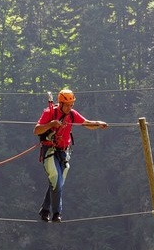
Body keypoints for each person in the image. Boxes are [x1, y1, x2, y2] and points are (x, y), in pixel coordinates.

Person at [33, 89, 108, 222]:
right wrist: (51, 124)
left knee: (57, 183)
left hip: (63, 153)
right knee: (56, 180)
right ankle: (56, 213)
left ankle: (45, 210)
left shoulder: (72, 115)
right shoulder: (49, 113)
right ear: (60, 103)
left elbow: (86, 123)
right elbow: (37, 130)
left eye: (71, 105)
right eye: (67, 105)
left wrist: (98, 124)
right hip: (49, 151)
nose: (69, 108)